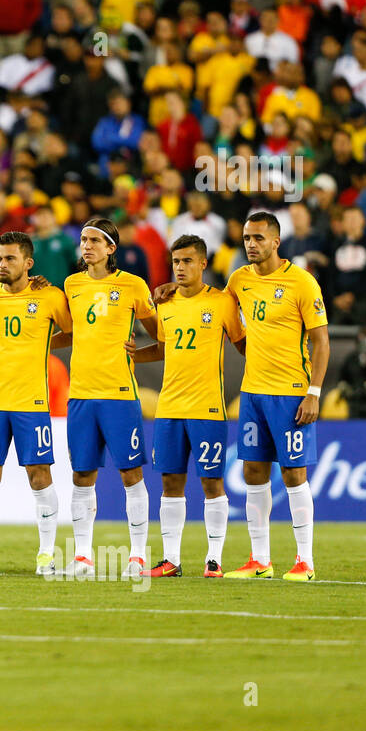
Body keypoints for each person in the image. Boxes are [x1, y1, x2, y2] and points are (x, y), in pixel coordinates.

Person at [156, 211, 330, 580]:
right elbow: (210, 299)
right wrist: (175, 287)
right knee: (253, 472)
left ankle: (305, 561)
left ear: (276, 242)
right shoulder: (238, 279)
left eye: (259, 238)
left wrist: (313, 392)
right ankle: (260, 560)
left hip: (291, 393)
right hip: (252, 393)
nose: (251, 244)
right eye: (247, 238)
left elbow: (321, 341)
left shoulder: (302, 283)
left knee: (294, 475)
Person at [129, 236, 244, 578]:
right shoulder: (165, 303)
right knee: (170, 483)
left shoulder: (222, 302)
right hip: (169, 407)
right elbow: (164, 348)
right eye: (176, 262)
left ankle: (214, 559)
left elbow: (243, 345)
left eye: (187, 261)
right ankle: (171, 559)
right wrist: (134, 352)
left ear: (203, 264)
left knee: (211, 482)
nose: (180, 267)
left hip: (207, 408)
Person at [57, 217, 158, 577]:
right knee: (81, 475)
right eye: (83, 239)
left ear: (111, 248)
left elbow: (160, 333)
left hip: (118, 393)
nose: (86, 246)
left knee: (131, 474)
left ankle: (137, 556)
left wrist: (141, 353)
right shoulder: (71, 285)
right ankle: (82, 556)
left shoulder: (132, 285)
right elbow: (69, 332)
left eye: (94, 241)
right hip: (81, 394)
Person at [0, 232, 72, 575]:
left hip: (32, 400)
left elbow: (72, 332)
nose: (1, 264)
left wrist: (40, 343)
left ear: (28, 263)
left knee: (39, 474)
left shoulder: (50, 296)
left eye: (10, 259)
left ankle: (46, 556)